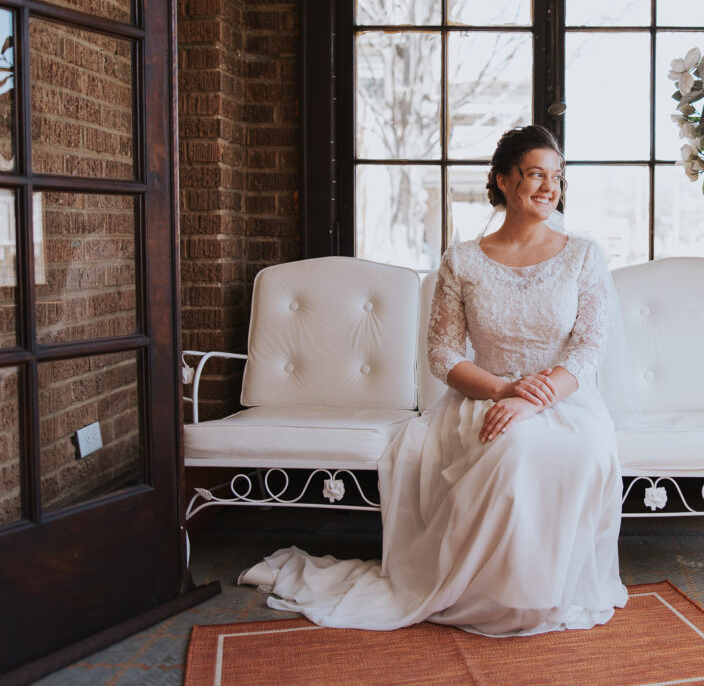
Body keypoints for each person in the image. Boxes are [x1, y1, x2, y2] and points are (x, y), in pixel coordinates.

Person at [239, 125, 628, 636]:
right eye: (536, 175)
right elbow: (442, 353)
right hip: (481, 395)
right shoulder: (462, 260)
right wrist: (503, 392)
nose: (549, 187)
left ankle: (544, 593)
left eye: (557, 177)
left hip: (562, 398)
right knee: (510, 450)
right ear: (504, 181)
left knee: (564, 449)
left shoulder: (583, 255)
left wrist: (535, 398)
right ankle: (503, 596)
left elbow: (588, 347)